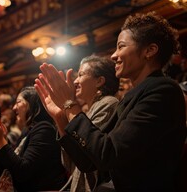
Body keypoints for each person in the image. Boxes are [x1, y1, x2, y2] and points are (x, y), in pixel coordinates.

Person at [35, 12, 186, 191]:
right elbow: (88, 162)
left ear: (149, 51)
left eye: (121, 47)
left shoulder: (163, 90)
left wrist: (71, 105)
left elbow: (108, 155)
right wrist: (61, 117)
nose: (114, 55)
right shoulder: (132, 96)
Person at [0, 86, 68, 191]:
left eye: (18, 102)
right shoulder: (27, 131)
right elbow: (5, 174)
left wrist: (1, 140)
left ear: (32, 104)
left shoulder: (44, 128)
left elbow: (22, 173)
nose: (14, 108)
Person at [62, 55, 120, 192]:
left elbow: (88, 158)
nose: (75, 81)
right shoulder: (88, 111)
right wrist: (60, 116)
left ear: (99, 81)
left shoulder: (109, 103)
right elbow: (70, 163)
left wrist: (68, 103)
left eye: (81, 75)